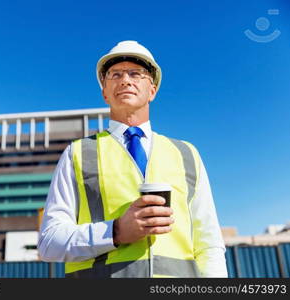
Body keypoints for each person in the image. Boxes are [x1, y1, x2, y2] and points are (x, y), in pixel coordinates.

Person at [38, 40, 227, 278]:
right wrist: (115, 231)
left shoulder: (186, 154)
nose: (125, 80)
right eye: (115, 75)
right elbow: (49, 243)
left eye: (136, 74)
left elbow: (208, 243)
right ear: (105, 92)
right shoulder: (77, 154)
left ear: (152, 90)